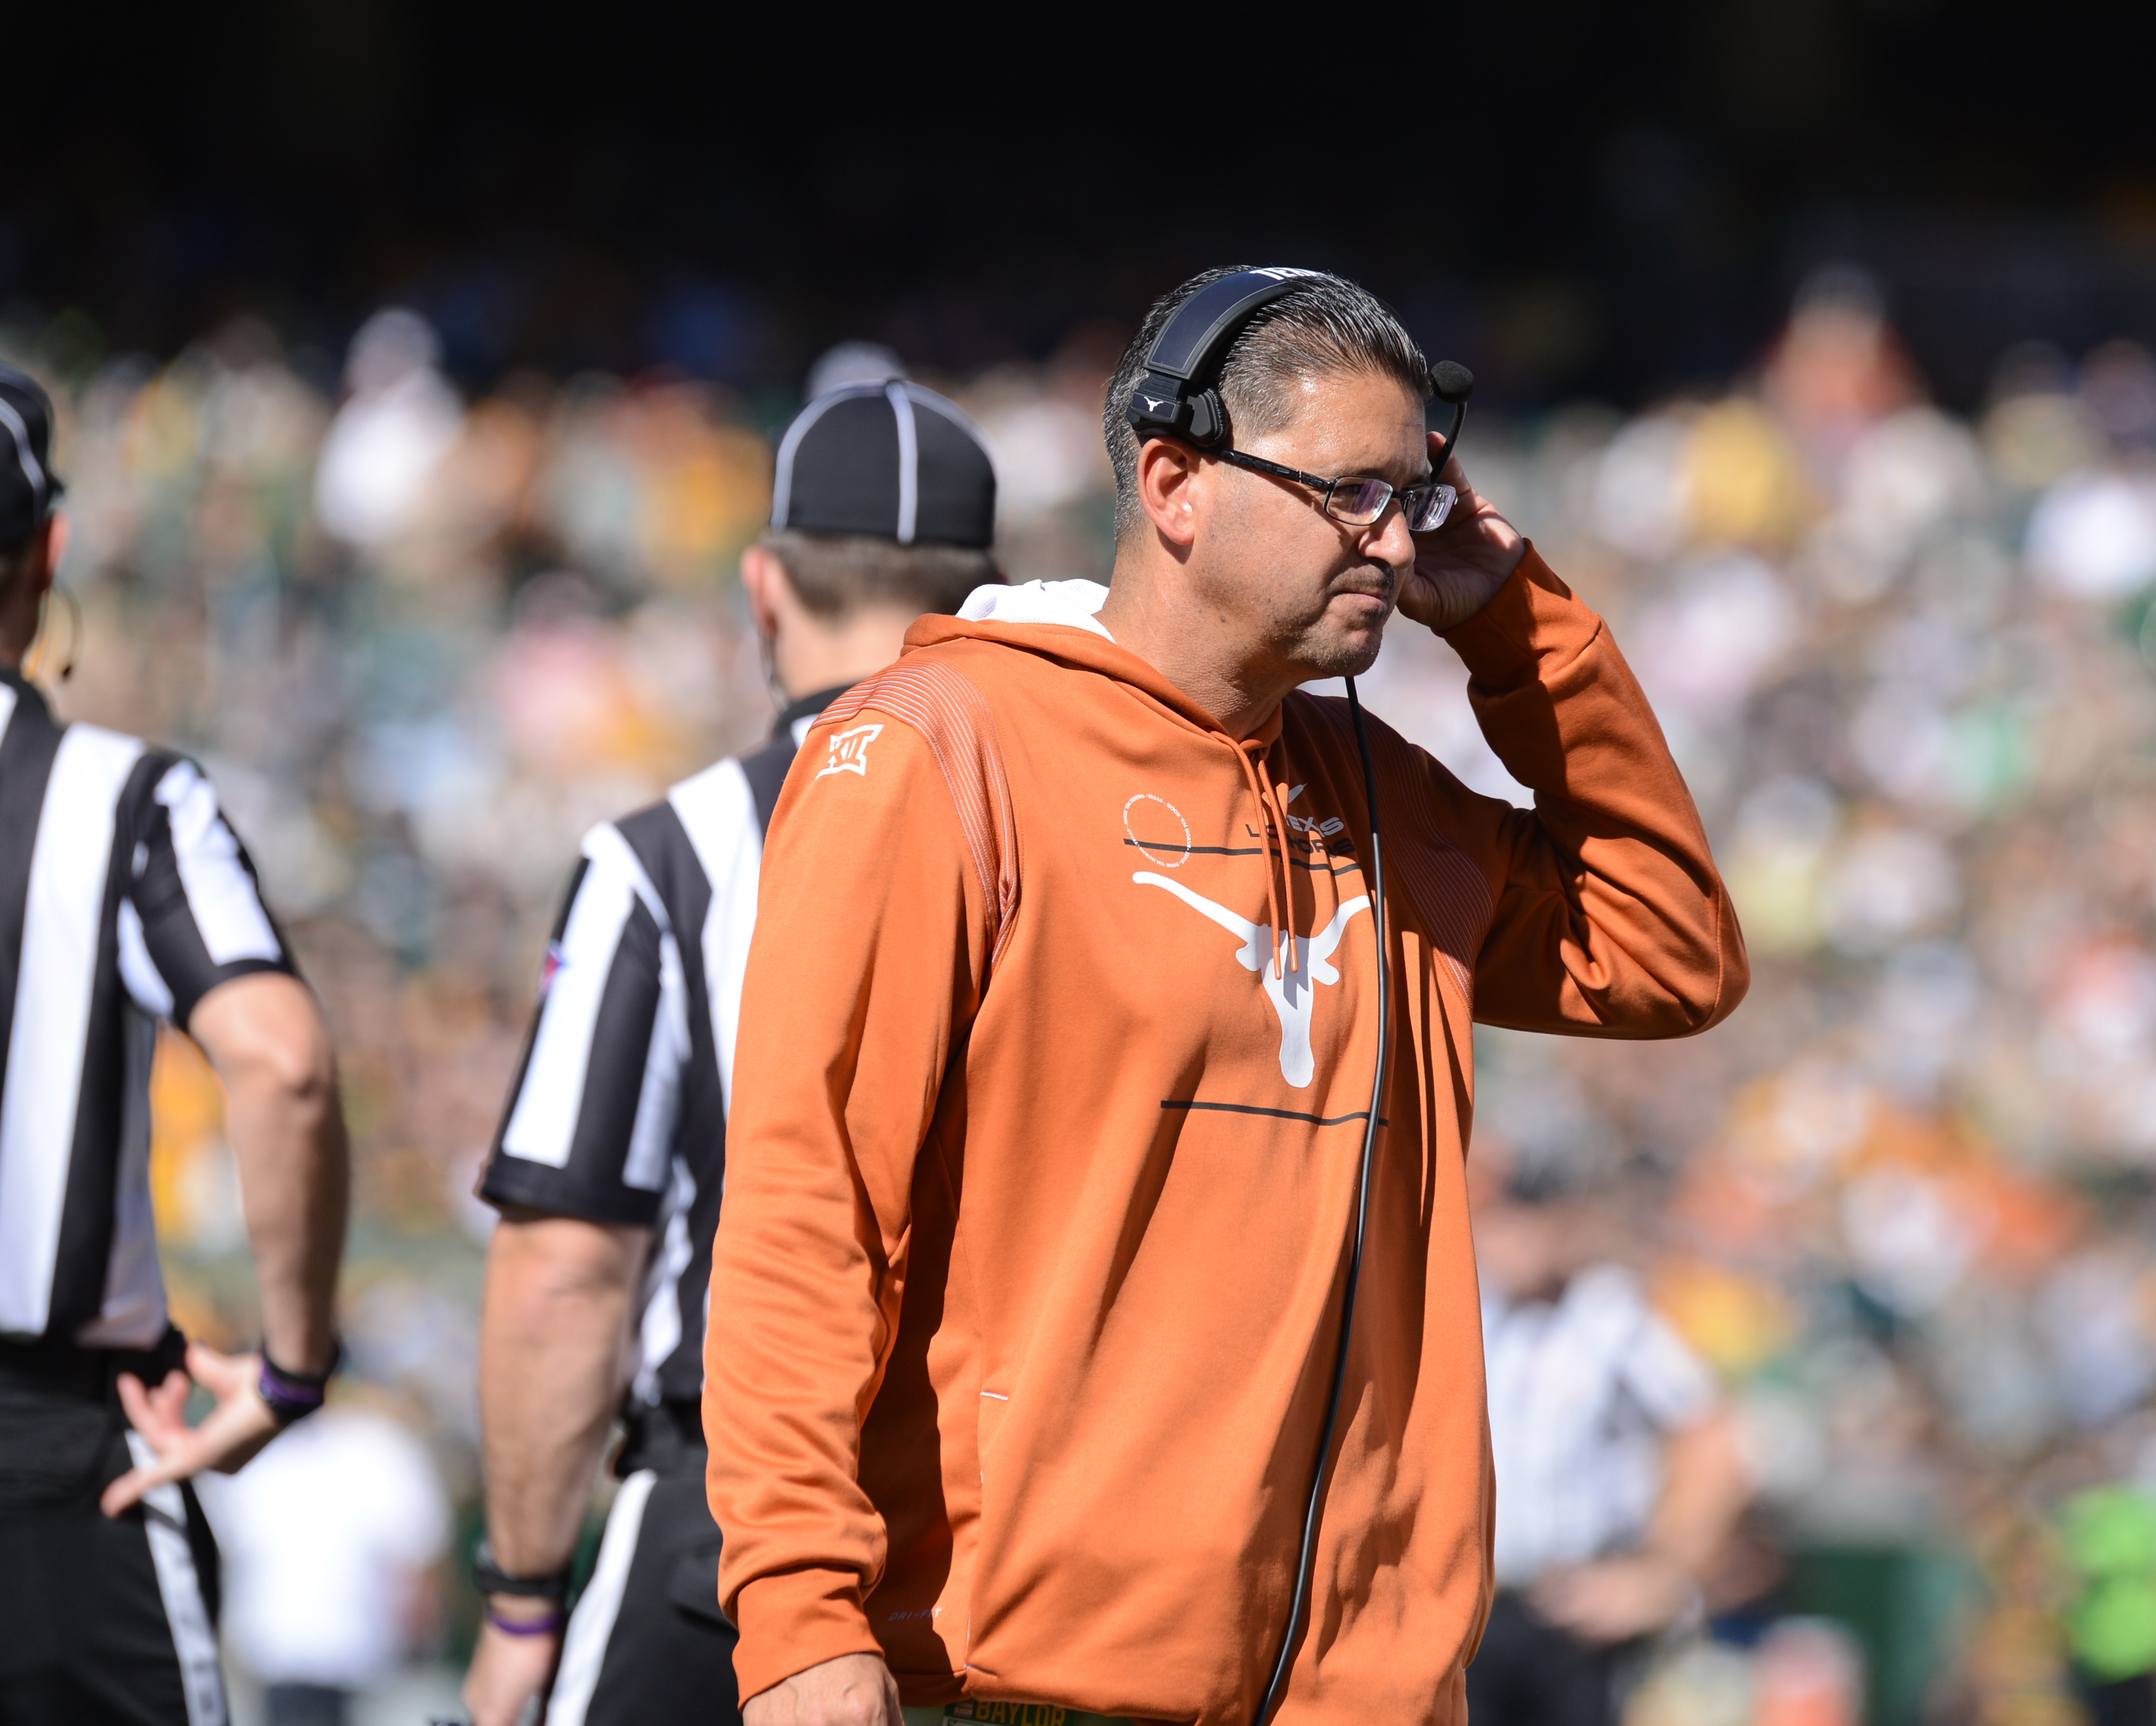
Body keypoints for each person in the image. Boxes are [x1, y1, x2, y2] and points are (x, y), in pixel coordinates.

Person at [703, 266, 1749, 1726]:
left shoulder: (1386, 797)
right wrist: (802, 1621)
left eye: (1414, 497)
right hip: (1022, 1689)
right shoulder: (941, 747)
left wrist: (1522, 625)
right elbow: (807, 1213)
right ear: (1176, 484)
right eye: (1351, 493)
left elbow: (1671, 949)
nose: (1395, 538)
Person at [462, 374, 1004, 1726]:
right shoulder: (1076, 827)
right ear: (986, 591)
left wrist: (524, 1592)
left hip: (734, 1516)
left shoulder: (670, 857)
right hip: (1013, 1525)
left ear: (764, 591)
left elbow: (566, 1263)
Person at [0, 349, 351, 1723]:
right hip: (29, 1457)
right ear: (47, 550)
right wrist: (295, 1363)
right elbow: (282, 1061)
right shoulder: (118, 796)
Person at [1470, 1184, 1752, 1726]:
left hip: (1571, 1604)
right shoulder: (1474, 1310)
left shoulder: (1608, 1316)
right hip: (1477, 1602)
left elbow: (1711, 1441)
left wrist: (1661, 1575)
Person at [204, 1395, 452, 1726]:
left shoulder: (376, 1445)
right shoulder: (377, 1447)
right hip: (277, 1658)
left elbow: (418, 1554)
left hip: (358, 1664)